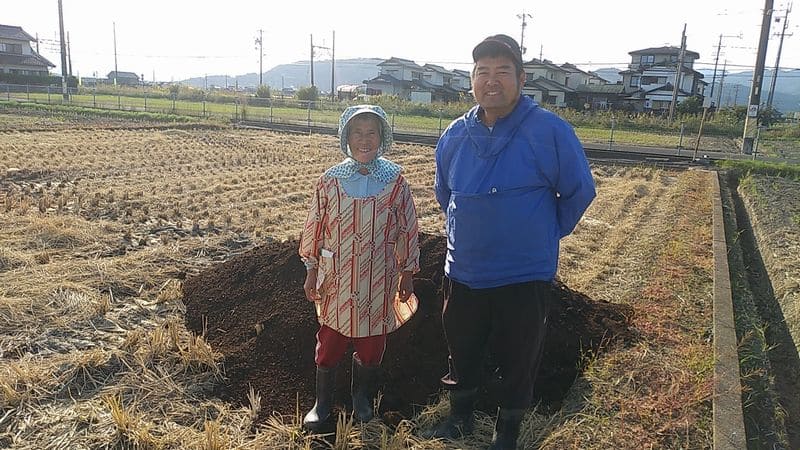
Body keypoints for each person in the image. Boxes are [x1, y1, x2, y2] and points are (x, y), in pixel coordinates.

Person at [426, 34, 596, 449]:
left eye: (502, 71)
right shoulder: (454, 135)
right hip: (463, 270)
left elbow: (578, 192)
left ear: (521, 79)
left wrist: (540, 234)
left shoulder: (549, 131)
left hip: (523, 274)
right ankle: (460, 418)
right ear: (471, 81)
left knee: (519, 357)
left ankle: (507, 434)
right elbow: (445, 193)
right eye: (482, 72)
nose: (491, 80)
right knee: (461, 348)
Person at [298, 104, 420, 432]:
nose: (364, 140)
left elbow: (408, 228)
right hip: (335, 278)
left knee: (371, 344)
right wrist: (311, 269)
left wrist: (406, 272)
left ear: (383, 137)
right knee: (330, 340)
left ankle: (361, 398)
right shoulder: (329, 181)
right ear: (345, 138)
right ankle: (322, 404)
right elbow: (315, 226)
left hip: (378, 279)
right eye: (357, 133)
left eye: (371, 133)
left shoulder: (395, 181)